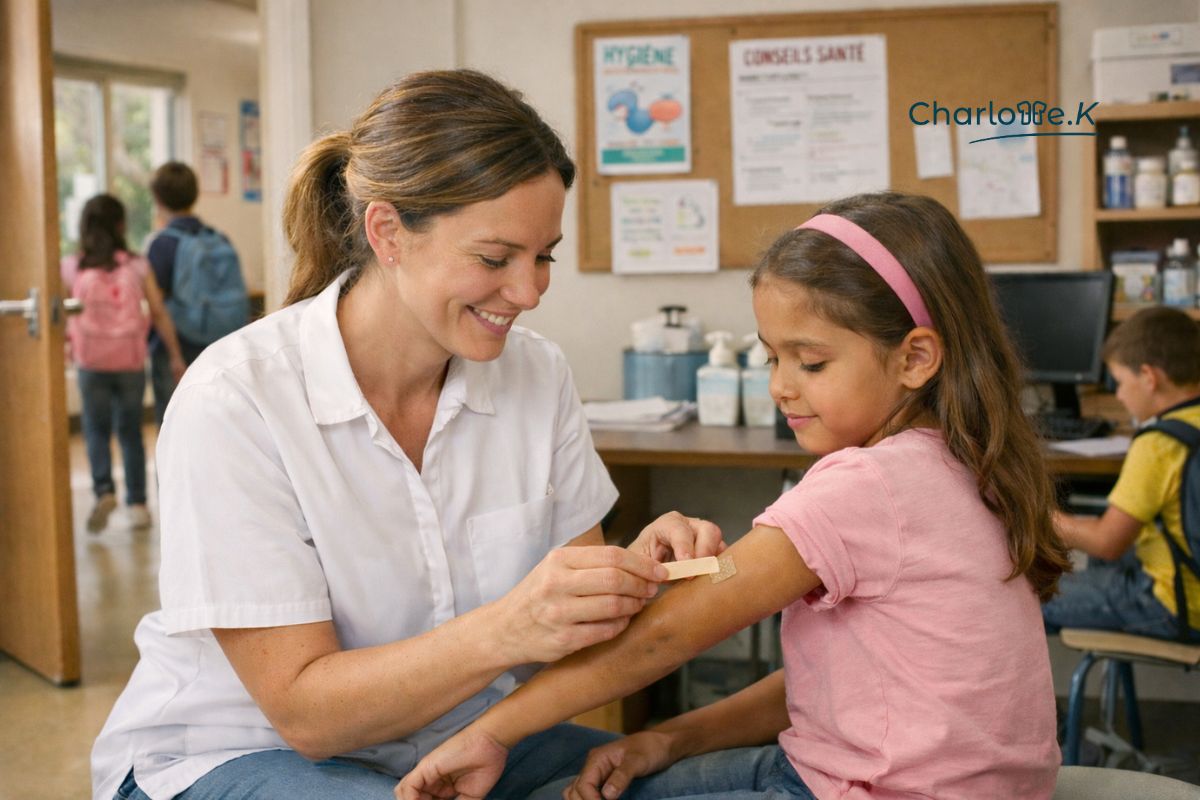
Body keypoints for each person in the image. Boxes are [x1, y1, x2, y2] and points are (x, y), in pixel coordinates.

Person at [90, 69, 720, 800]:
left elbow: (571, 635)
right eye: (494, 259)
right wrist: (511, 629)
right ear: (387, 232)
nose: (529, 292)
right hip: (239, 752)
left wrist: (635, 578)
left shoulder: (536, 375)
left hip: (465, 737)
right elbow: (307, 716)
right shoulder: (236, 400)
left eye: (544, 255)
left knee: (707, 783)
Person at [398, 192, 1070, 800]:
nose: (780, 385)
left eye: (810, 362)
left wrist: (491, 732)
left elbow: (658, 641)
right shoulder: (964, 463)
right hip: (874, 772)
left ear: (916, 359)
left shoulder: (869, 484)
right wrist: (666, 738)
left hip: (866, 789)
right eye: (771, 357)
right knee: (617, 770)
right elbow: (845, 686)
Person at [1044, 306, 1200, 640]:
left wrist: (1038, 519)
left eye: (1120, 381)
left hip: (1175, 605)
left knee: (1028, 594)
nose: (1118, 393)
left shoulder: (1159, 445)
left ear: (1149, 377)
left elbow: (1106, 542)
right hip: (1190, 584)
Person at [62, 194, 187, 533]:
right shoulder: (136, 264)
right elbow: (159, 312)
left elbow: (59, 314)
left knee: (95, 429)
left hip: (90, 362)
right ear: (121, 225)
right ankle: (138, 505)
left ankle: (104, 490)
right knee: (131, 431)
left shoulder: (73, 265)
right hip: (130, 360)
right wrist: (176, 355)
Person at [145, 161, 248, 425]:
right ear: (195, 194)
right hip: (221, 343)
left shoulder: (162, 244)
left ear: (157, 198)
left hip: (178, 344)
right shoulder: (220, 239)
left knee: (172, 424)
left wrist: (174, 356)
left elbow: (157, 307)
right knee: (216, 422)